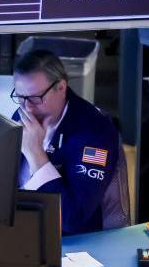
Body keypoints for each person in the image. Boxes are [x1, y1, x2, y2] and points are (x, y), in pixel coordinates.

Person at [12, 50, 130, 235]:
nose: (27, 107)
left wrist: (36, 155)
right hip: (23, 226)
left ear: (61, 87)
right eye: (20, 97)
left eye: (36, 98)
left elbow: (72, 218)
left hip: (70, 242)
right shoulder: (25, 114)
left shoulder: (95, 133)